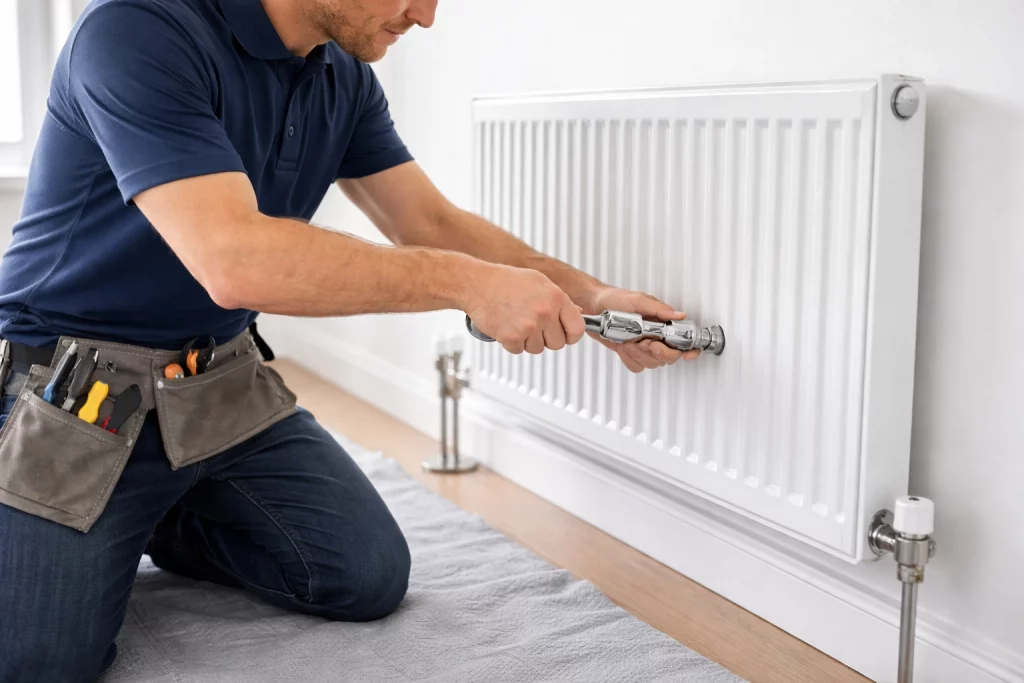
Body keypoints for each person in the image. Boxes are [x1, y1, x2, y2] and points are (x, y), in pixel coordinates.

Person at [0, 0, 699, 680]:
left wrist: (593, 298)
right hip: (73, 393)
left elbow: (429, 221)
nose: (426, 16)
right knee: (38, 660)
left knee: (363, 574)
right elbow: (235, 261)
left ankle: (154, 516)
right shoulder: (136, 26)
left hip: (214, 388)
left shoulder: (343, 73)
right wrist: (468, 284)